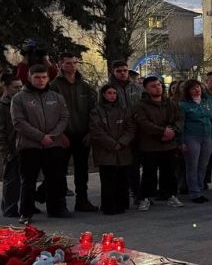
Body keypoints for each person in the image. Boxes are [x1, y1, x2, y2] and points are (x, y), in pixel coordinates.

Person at [11, 65, 71, 223]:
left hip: (53, 144)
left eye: (44, 77)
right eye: (37, 77)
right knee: (29, 180)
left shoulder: (56, 97)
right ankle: (26, 212)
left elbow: (64, 118)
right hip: (30, 146)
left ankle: (56, 209)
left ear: (48, 78)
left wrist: (53, 135)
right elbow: (19, 122)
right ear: (29, 78)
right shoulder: (19, 98)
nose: (41, 80)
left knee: (55, 178)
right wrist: (40, 137)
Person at [50, 54, 98, 212]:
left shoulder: (84, 86)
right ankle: (59, 203)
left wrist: (90, 132)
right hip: (63, 135)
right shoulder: (54, 86)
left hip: (82, 134)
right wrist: (60, 134)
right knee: (59, 170)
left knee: (82, 170)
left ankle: (82, 201)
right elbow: (51, 112)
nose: (71, 66)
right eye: (68, 63)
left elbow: (94, 110)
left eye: (74, 63)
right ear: (60, 65)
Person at [133, 76, 184, 211]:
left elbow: (179, 118)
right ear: (146, 89)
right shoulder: (141, 105)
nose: (157, 88)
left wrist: (172, 131)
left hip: (169, 144)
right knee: (149, 173)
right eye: (153, 86)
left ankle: (171, 195)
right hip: (150, 145)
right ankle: (145, 197)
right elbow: (143, 123)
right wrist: (162, 132)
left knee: (169, 172)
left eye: (158, 85)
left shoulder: (170, 103)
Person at [88, 83, 135, 214]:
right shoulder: (96, 111)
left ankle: (122, 204)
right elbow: (96, 130)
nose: (112, 96)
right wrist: (112, 144)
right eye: (109, 93)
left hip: (122, 149)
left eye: (114, 93)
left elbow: (130, 128)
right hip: (106, 151)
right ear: (103, 94)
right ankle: (108, 206)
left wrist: (122, 142)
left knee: (122, 179)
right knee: (108, 180)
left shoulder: (123, 109)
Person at [178, 79, 212, 204]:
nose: (197, 90)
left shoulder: (207, 102)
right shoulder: (184, 105)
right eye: (193, 88)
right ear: (188, 91)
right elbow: (181, 125)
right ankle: (194, 192)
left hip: (207, 137)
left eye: (198, 87)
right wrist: (182, 142)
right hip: (191, 137)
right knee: (192, 165)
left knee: (203, 165)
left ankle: (200, 189)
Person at [109, 59, 143, 203]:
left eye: (125, 70)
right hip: (119, 131)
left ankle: (137, 192)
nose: (122, 73)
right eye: (119, 71)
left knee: (135, 163)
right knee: (120, 164)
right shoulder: (108, 88)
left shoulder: (136, 88)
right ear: (113, 72)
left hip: (137, 130)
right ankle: (121, 193)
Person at [1, 74, 23, 217]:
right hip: (11, 148)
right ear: (6, 87)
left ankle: (27, 204)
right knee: (11, 180)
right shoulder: (3, 106)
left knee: (24, 179)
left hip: (23, 145)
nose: (19, 90)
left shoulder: (21, 101)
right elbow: (1, 132)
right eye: (16, 87)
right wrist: (6, 151)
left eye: (21, 87)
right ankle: (9, 208)